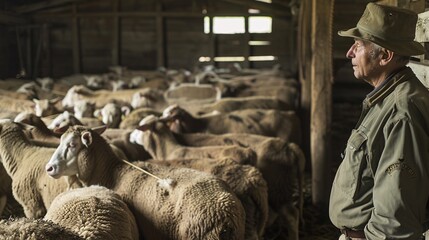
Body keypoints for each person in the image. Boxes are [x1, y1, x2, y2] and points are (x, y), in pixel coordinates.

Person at [329, 2, 429, 240]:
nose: (350, 53)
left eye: (358, 45)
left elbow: (395, 220)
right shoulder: (385, 100)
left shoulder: (401, 113)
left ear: (385, 55)